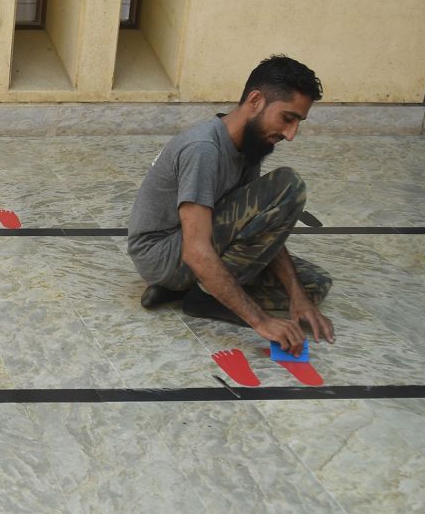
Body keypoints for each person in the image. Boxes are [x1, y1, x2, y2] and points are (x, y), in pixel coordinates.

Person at [126, 55, 334, 355]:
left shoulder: (250, 144)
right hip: (163, 253)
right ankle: (195, 292)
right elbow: (195, 249)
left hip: (195, 246)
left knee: (314, 284)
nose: (290, 135)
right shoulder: (203, 149)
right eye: (287, 118)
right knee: (288, 184)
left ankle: (190, 292)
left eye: (297, 123)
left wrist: (297, 295)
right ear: (255, 100)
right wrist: (261, 322)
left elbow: (262, 226)